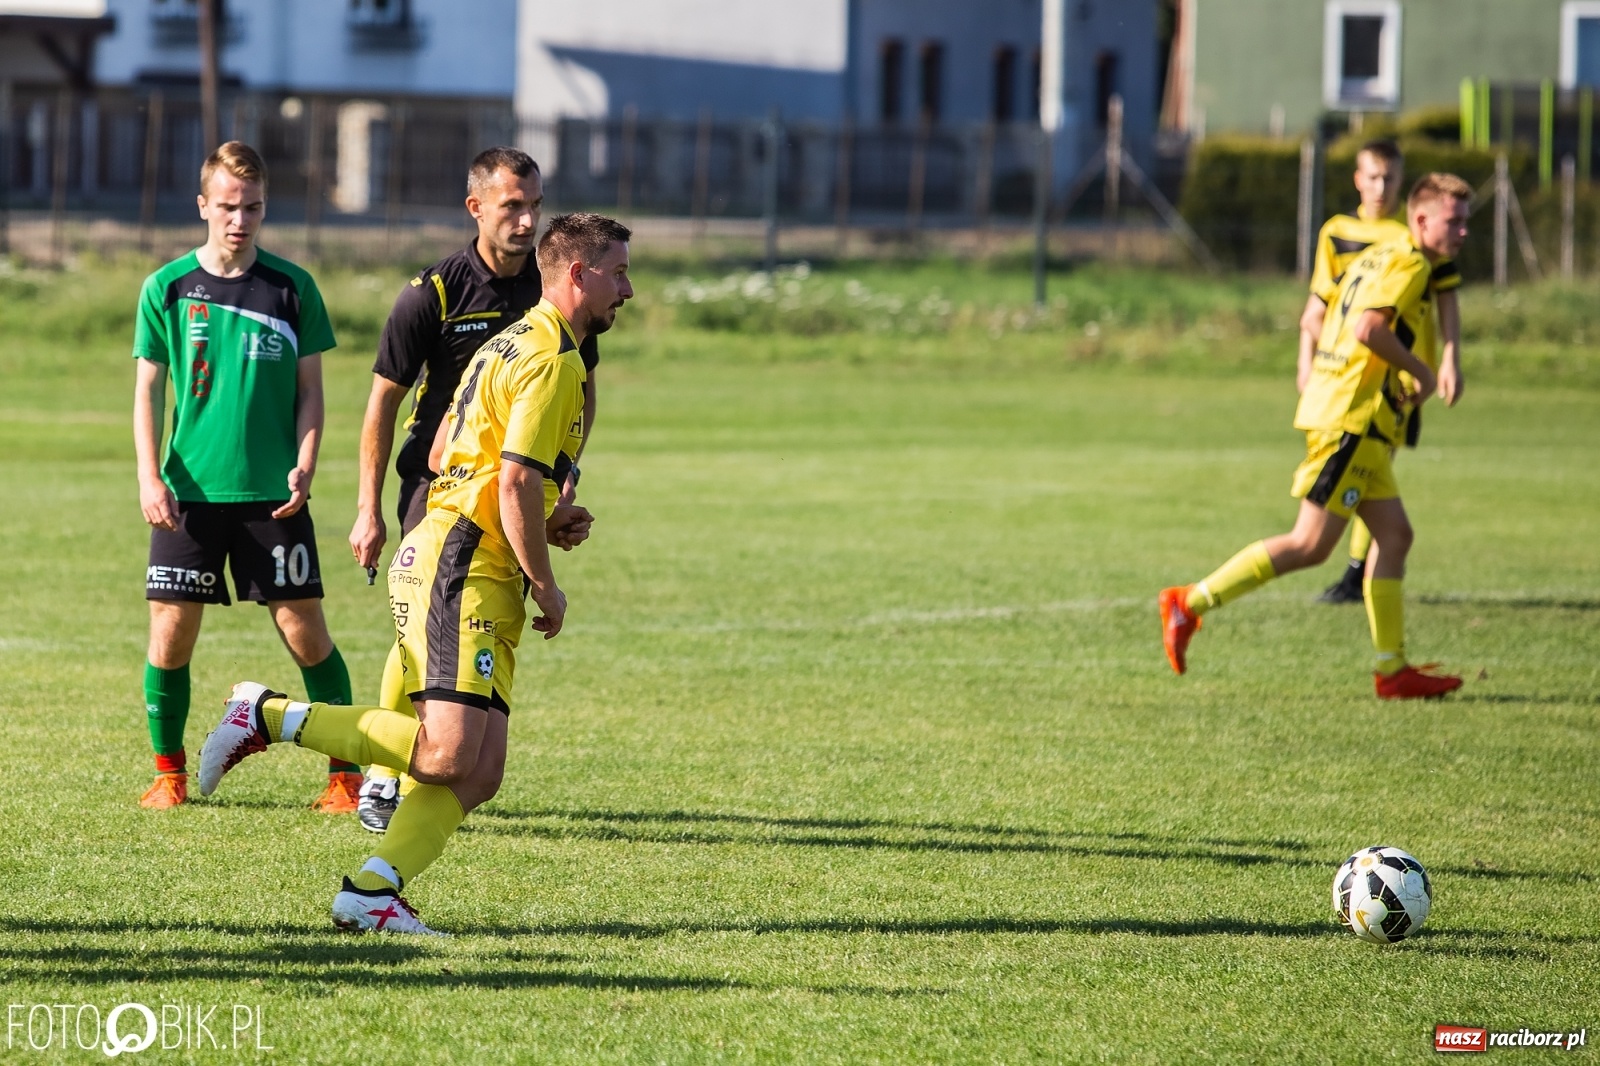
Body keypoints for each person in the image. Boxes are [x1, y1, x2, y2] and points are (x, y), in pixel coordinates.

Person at [198, 213, 631, 934]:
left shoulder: (511, 341)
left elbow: (444, 458)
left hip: (476, 557)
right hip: (462, 561)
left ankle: (373, 891)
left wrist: (544, 515)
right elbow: (514, 480)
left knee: (480, 770)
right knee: (445, 751)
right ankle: (266, 716)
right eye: (618, 273)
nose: (628, 289)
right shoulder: (551, 359)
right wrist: (546, 580)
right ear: (579, 275)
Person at [347, 147, 600, 833]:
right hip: (437, 483)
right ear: (476, 207)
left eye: (535, 205)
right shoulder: (432, 292)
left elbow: (580, 393)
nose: (527, 221)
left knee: (468, 623)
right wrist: (368, 509)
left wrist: (561, 485)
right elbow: (381, 405)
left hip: (513, 483)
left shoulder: (553, 292)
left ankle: (443, 759)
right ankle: (385, 772)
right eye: (513, 206)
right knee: (423, 625)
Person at [1160, 174, 1474, 700]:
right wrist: (1420, 371)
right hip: (1351, 419)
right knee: (1309, 544)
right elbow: (1368, 329)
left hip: (1357, 416)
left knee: (1395, 536)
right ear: (1421, 219)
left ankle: (1392, 669)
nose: (1463, 232)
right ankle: (1187, 603)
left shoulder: (1381, 253)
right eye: (1454, 221)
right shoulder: (1411, 263)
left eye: (1466, 222)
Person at [133, 141, 361, 811]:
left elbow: (311, 391)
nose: (240, 219)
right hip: (189, 494)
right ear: (203, 205)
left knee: (305, 632)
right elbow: (148, 390)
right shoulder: (167, 287)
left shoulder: (292, 288)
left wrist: (306, 463)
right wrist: (149, 477)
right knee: (170, 635)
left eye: (253, 207)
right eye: (228, 206)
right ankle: (169, 775)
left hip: (272, 497)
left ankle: (345, 777)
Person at [1296, 140, 1466, 604]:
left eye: (1390, 178)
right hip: (1350, 379)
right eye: (1373, 177)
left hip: (1399, 375)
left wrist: (1449, 357)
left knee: (1376, 469)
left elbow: (1446, 297)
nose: (1381, 187)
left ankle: (1358, 573)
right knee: (1362, 479)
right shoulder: (1338, 233)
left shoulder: (1415, 234)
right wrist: (1307, 360)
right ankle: (1358, 575)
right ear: (1358, 179)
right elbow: (1319, 307)